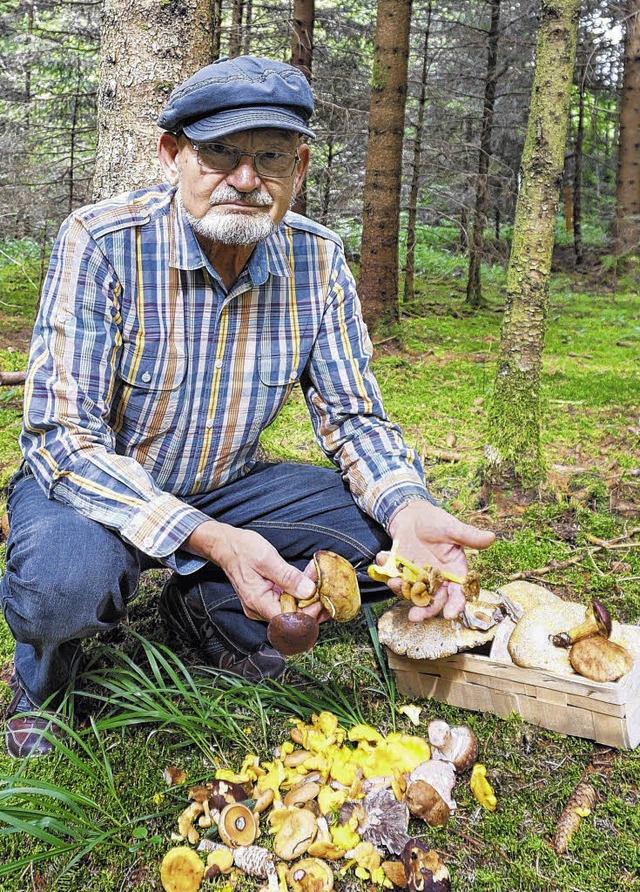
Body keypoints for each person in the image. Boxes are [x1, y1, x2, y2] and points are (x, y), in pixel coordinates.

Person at [0, 55, 494, 758]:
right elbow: (61, 438)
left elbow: (354, 418)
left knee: (386, 544)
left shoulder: (316, 260)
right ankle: (45, 681)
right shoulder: (103, 242)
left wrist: (408, 505)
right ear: (173, 154)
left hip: (228, 484)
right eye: (220, 153)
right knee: (65, 583)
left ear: (300, 166)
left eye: (268, 158)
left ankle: (205, 612)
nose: (244, 179)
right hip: (92, 491)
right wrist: (211, 539)